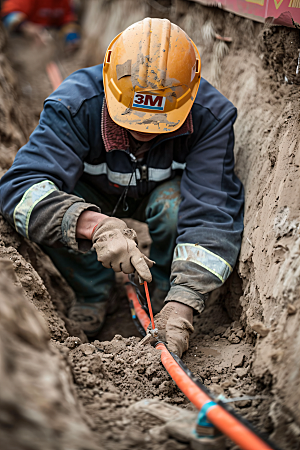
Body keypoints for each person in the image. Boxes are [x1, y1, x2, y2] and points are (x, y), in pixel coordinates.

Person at [0, 18, 244, 357]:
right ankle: (92, 292)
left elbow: (212, 214)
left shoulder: (210, 117)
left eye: (160, 123)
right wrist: (94, 225)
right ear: (109, 85)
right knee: (52, 208)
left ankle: (160, 292)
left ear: (189, 95)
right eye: (132, 118)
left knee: (175, 208)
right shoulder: (75, 104)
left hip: (156, 195)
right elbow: (19, 189)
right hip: (91, 194)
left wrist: (183, 306)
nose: (144, 131)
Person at [1, 0, 80, 49]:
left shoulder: (64, 2)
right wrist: (27, 28)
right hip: (20, 42)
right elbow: (8, 16)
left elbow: (68, 19)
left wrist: (71, 36)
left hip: (48, 42)